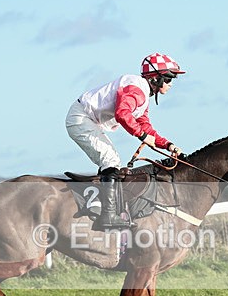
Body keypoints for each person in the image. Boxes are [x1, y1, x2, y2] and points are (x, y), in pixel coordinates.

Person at [65, 53, 185, 228]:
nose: (170, 84)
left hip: (88, 119)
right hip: (81, 118)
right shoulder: (137, 90)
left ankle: (100, 204)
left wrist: (168, 145)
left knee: (111, 160)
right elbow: (123, 114)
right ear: (155, 78)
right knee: (111, 159)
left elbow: (145, 126)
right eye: (168, 79)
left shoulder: (142, 94)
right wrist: (142, 136)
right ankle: (108, 215)